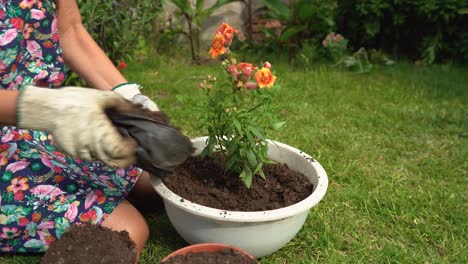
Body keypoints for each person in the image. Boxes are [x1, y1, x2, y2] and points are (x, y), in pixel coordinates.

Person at [0, 0, 160, 260]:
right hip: (22, 130)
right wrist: (43, 109)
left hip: (40, 130)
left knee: (155, 183)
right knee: (125, 231)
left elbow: (70, 31)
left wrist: (132, 100)